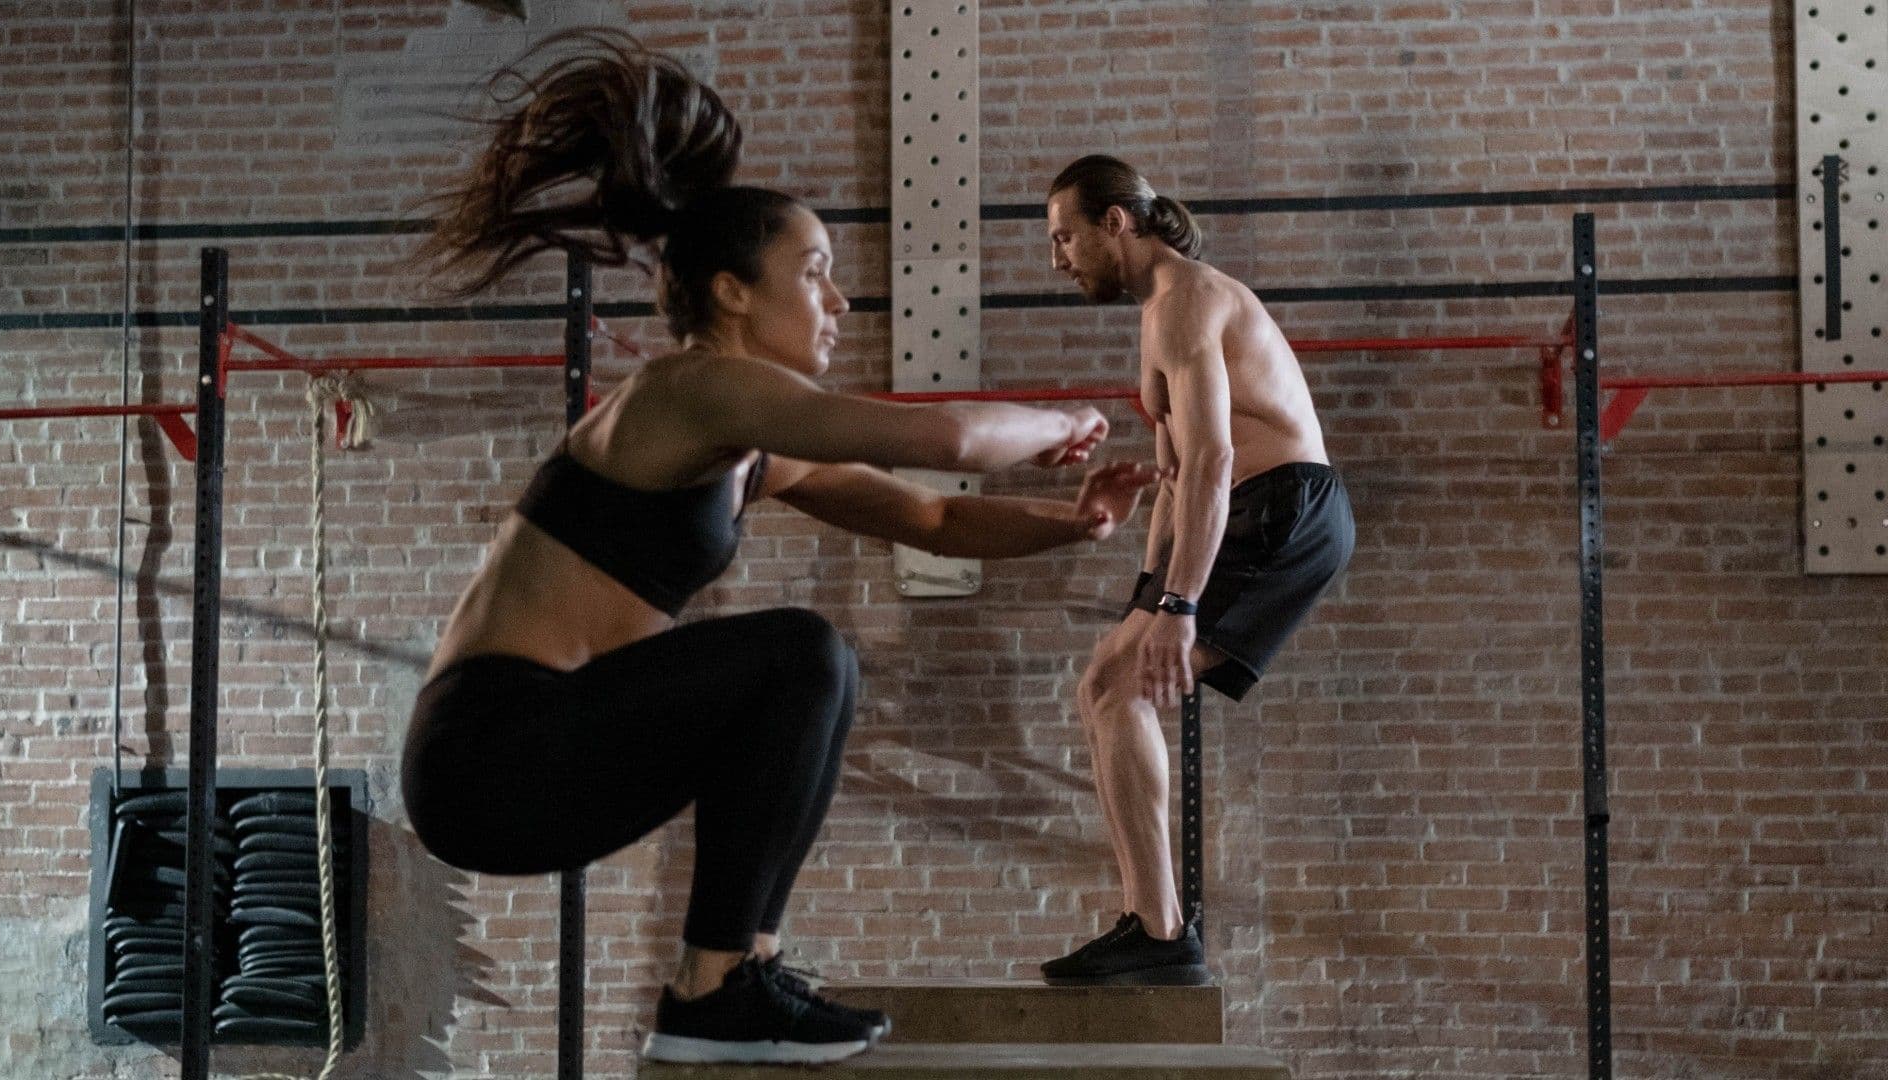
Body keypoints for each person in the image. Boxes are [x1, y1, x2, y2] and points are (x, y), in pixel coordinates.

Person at [397, 33, 1160, 1065]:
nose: (838, 303)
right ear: (730, 294)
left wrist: (1071, 523)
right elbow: (941, 439)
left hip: (547, 750)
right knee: (801, 655)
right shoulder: (690, 388)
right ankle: (712, 990)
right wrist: (1059, 419)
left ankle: (741, 970)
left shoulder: (744, 443)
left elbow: (930, 516)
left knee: (817, 672)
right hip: (488, 752)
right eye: (815, 274)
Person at [1038, 155, 1356, 987]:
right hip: (1248, 508)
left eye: (1066, 236)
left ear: (1118, 222)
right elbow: (1177, 478)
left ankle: (1162, 933)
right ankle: (1153, 926)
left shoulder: (1189, 301)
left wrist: (1177, 605)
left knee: (1119, 687)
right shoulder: (1157, 317)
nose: (1057, 257)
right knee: (1106, 680)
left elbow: (1215, 458)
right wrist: (1148, 598)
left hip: (1283, 506)